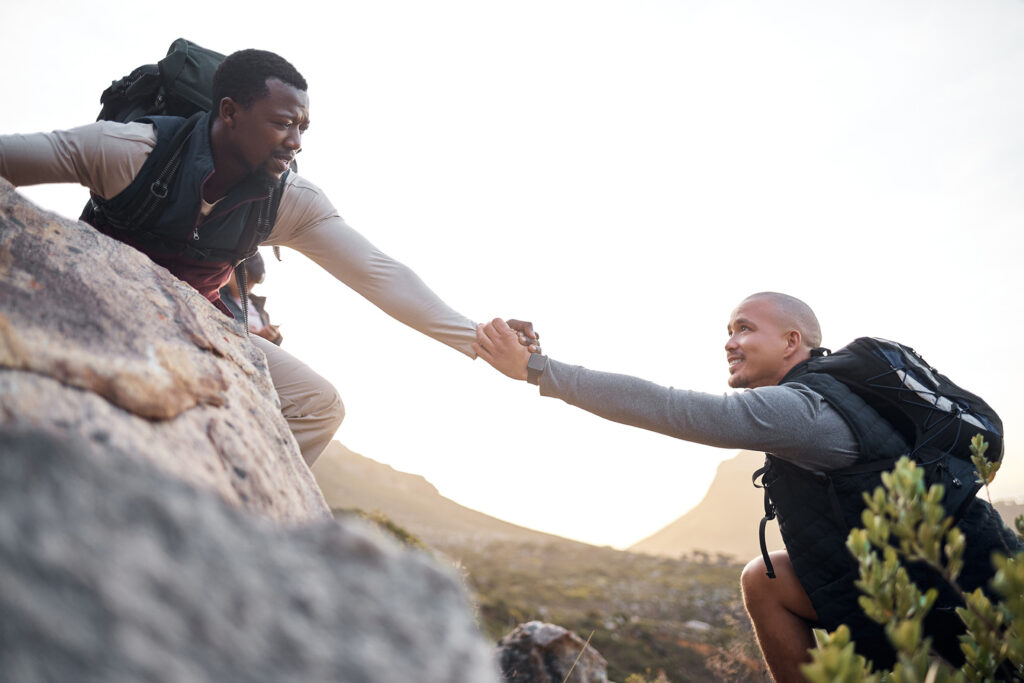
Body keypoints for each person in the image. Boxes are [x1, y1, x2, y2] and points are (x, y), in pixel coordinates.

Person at [0, 48, 537, 466]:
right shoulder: (132, 152)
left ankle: (230, 521)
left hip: (197, 326)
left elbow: (382, 275)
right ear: (230, 113)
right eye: (283, 123)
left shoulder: (289, 201)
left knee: (318, 403)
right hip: (94, 304)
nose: (296, 141)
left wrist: (479, 339)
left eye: (303, 127)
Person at [472, 292, 1020, 682]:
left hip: (973, 596)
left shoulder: (802, 408)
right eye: (729, 331)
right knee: (765, 579)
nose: (729, 342)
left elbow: (671, 407)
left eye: (744, 329)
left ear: (791, 341)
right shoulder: (831, 394)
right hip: (918, 576)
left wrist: (538, 369)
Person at [219, 251, 283, 345]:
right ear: (233, 269)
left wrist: (275, 338)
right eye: (246, 277)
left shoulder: (262, 312)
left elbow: (273, 345)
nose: (249, 284)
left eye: (255, 279)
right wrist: (250, 333)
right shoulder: (217, 297)